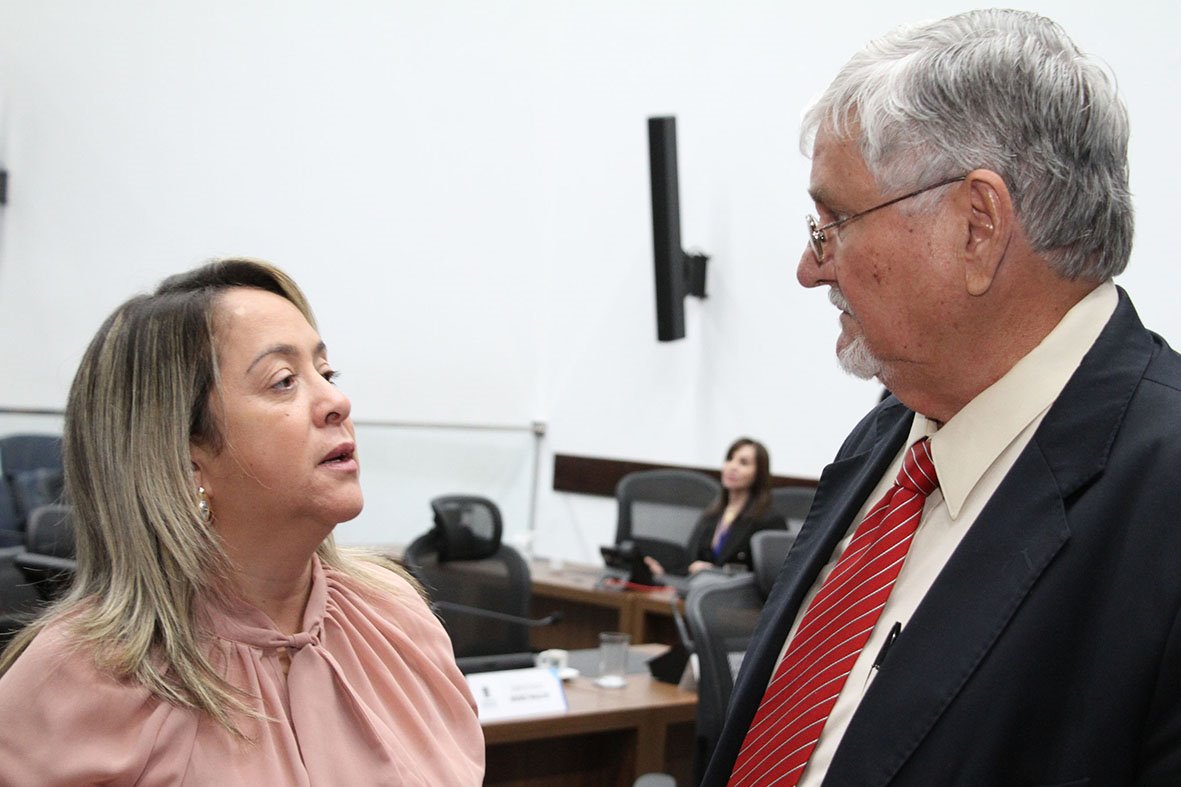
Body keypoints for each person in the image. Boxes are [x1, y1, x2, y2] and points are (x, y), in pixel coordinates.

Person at [705, 10, 1181, 787]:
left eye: (834, 222)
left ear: (975, 226)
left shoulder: (1159, 493)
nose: (809, 267)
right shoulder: (885, 435)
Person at [0, 259, 485, 784]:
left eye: (326, 374)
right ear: (185, 461)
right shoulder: (77, 681)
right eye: (284, 381)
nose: (337, 401)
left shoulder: (394, 617)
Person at [645, 438, 786, 578]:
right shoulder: (713, 514)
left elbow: (768, 577)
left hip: (734, 590)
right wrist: (663, 573)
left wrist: (714, 572)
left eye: (743, 463)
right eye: (730, 459)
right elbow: (691, 562)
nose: (732, 466)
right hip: (698, 587)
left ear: (759, 473)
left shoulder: (770, 520)